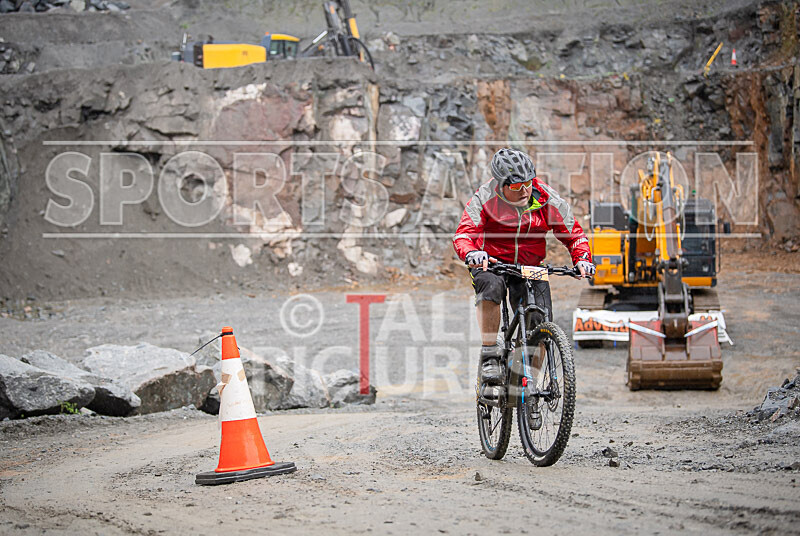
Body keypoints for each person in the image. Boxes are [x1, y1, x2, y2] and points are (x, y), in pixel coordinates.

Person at [453, 148, 595, 384]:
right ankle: (490, 354)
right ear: (501, 184)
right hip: (491, 261)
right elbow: (463, 235)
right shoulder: (485, 197)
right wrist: (473, 253)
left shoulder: (545, 197)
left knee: (540, 318)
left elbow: (574, 233)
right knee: (490, 287)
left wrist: (582, 258)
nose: (525, 190)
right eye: (517, 186)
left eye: (528, 183)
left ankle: (529, 385)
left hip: (529, 265)